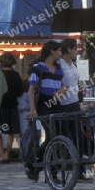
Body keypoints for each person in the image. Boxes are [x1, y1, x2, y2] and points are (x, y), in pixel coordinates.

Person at [26, 40, 69, 180]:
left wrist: (62, 90)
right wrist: (32, 109)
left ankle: (49, 171)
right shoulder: (38, 68)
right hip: (42, 105)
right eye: (59, 51)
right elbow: (31, 89)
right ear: (52, 51)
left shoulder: (59, 70)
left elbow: (61, 88)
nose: (61, 54)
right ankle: (35, 163)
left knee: (56, 137)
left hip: (56, 105)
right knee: (48, 137)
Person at [58, 38, 93, 183]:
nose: (76, 52)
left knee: (80, 137)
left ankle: (79, 171)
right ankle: (58, 169)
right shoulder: (59, 64)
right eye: (75, 49)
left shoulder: (73, 64)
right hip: (62, 104)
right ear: (69, 49)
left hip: (74, 104)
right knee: (64, 137)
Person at [0, 52, 23, 163]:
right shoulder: (16, 75)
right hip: (12, 104)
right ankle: (7, 154)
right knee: (11, 132)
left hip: (0, 106)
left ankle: (1, 154)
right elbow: (20, 92)